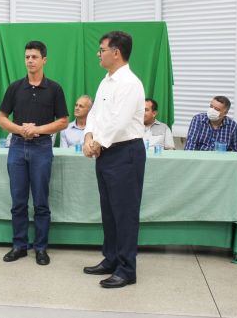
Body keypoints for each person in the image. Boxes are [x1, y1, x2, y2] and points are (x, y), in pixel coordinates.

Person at [82, 31, 145, 289]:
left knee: (125, 213)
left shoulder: (130, 83)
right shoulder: (106, 81)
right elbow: (95, 113)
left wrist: (96, 143)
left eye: (102, 49)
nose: (99, 54)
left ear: (116, 53)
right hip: (106, 151)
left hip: (125, 152)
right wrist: (88, 137)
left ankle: (127, 269)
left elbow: (119, 121)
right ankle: (111, 259)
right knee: (109, 211)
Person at [0, 41, 68, 266]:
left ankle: (41, 248)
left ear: (44, 60)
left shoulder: (55, 89)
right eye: (27, 56)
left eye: (34, 57)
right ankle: (19, 245)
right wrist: (21, 130)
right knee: (18, 201)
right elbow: (1, 119)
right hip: (17, 146)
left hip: (42, 147)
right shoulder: (15, 87)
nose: (30, 60)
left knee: (40, 201)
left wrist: (37, 129)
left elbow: (63, 121)